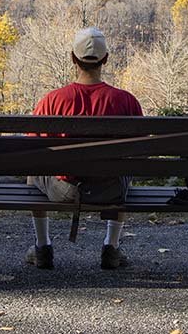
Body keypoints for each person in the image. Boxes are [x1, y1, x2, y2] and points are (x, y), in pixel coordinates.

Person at [26, 27, 144, 271]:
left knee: (33, 172)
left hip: (64, 190)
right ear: (106, 59)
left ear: (72, 58)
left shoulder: (52, 100)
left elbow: (32, 146)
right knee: (124, 168)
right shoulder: (125, 101)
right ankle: (111, 247)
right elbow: (140, 148)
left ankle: (42, 246)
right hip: (110, 190)